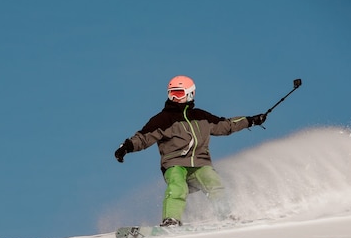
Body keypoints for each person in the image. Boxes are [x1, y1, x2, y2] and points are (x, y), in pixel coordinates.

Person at [114, 75, 267, 227]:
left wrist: (250, 120)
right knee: (177, 186)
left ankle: (225, 215)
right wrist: (126, 147)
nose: (174, 97)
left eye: (179, 93)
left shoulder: (201, 116)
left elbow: (225, 125)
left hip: (200, 163)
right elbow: (143, 137)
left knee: (213, 182)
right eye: (171, 93)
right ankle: (171, 219)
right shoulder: (163, 119)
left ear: (190, 94)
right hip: (175, 164)